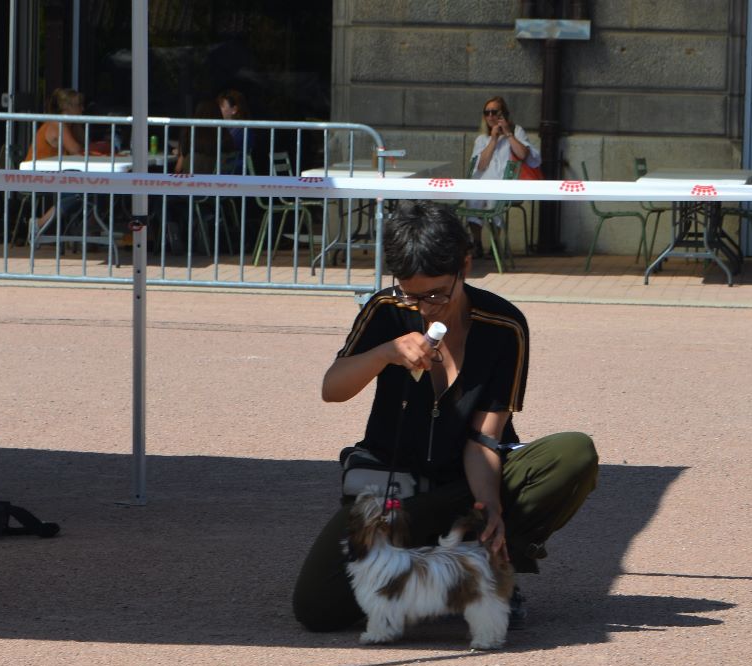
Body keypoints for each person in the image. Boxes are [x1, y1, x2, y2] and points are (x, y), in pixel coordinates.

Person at [293, 200, 598, 632]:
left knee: (571, 454)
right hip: (393, 494)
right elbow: (333, 388)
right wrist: (385, 353)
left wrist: (489, 507)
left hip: (463, 490)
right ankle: (434, 580)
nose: (426, 308)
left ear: (465, 265)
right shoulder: (387, 311)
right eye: (411, 294)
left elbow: (484, 440)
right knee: (315, 609)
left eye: (436, 293)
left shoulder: (503, 326)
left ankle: (488, 575)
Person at [468, 96, 541, 257]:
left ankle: (495, 244)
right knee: (472, 199)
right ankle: (477, 243)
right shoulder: (482, 139)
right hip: (483, 184)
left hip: (506, 185)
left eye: (494, 112)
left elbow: (523, 154)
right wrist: (493, 140)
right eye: (486, 113)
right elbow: (480, 165)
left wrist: (507, 133)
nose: (490, 117)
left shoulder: (516, 131)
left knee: (494, 201)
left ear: (503, 114)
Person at [24, 88, 86, 232]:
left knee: (85, 186)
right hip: (36, 174)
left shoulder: (69, 124)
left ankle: (85, 229)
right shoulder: (58, 123)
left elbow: (84, 147)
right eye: (79, 105)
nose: (82, 108)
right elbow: (76, 150)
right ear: (67, 107)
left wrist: (77, 124)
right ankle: (39, 224)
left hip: (55, 172)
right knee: (80, 189)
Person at [174, 99, 233, 174]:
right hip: (215, 181)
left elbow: (178, 169)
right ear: (218, 115)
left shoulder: (190, 131)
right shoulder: (224, 136)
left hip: (190, 181)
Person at [217, 89, 255, 170]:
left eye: (222, 106)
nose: (218, 109)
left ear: (234, 110)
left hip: (234, 173)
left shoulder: (241, 130)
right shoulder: (232, 129)